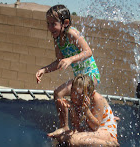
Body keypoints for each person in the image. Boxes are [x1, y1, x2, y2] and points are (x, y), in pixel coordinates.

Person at [35, 4, 100, 136]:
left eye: (53, 23)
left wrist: (70, 59)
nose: (50, 27)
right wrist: (44, 70)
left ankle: (94, 122)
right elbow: (59, 61)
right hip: (79, 78)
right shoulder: (57, 39)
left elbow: (88, 52)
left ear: (65, 23)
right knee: (58, 93)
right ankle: (64, 127)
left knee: (78, 101)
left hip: (90, 75)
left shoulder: (72, 33)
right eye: (48, 23)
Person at [52, 74, 119, 146]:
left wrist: (86, 111)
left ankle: (110, 144)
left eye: (79, 96)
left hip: (105, 131)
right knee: (61, 138)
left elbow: (95, 127)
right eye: (74, 94)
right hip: (90, 131)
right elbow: (76, 126)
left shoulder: (96, 98)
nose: (76, 99)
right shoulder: (75, 99)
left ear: (88, 94)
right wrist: (72, 108)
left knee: (73, 140)